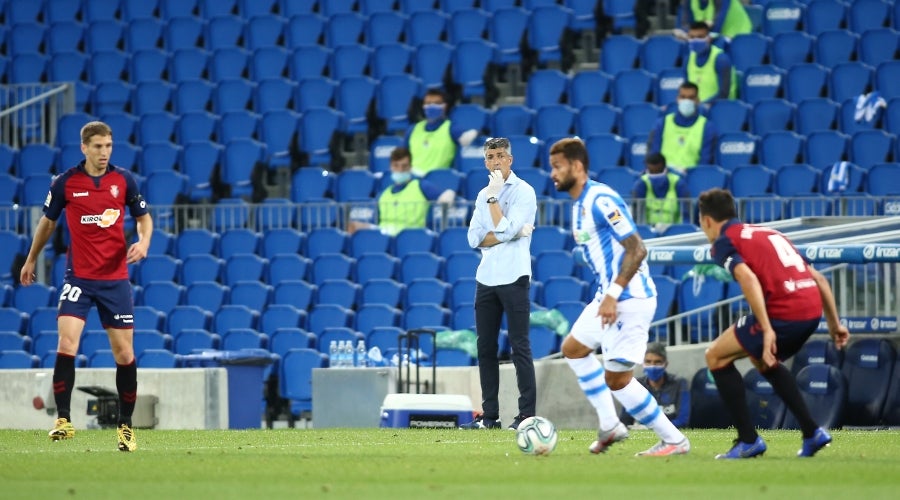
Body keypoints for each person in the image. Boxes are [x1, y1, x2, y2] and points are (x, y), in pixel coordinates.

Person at [548, 137, 690, 456]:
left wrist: (613, 295)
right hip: (607, 297)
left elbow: (637, 248)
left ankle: (674, 440)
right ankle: (610, 424)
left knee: (618, 380)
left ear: (577, 166)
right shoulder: (578, 205)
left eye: (557, 167)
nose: (553, 174)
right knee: (573, 349)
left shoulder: (601, 199)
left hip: (628, 299)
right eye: (551, 167)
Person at [19, 121, 152, 452]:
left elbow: (143, 217)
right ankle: (63, 420)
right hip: (78, 277)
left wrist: (144, 241)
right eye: (98, 147)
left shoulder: (123, 181)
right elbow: (47, 223)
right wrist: (32, 258)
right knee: (67, 341)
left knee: (124, 352)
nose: (104, 152)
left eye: (108, 146)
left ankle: (125, 427)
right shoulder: (66, 183)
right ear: (84, 148)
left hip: (114, 280)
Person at [698, 188, 850, 459]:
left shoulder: (724, 241)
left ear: (707, 220)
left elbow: (747, 278)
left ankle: (748, 441)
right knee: (763, 360)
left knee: (715, 356)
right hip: (811, 310)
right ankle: (812, 432)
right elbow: (820, 279)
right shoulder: (769, 233)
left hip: (785, 312)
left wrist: (767, 329)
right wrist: (835, 324)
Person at [460, 137, 537, 431]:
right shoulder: (482, 194)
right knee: (485, 348)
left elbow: (501, 230)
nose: (495, 161)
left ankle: (526, 416)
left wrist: (494, 202)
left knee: (520, 347)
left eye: (500, 155)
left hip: (515, 275)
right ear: (485, 162)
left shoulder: (524, 192)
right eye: (490, 156)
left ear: (510, 160)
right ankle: (490, 417)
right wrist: (509, 233)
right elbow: (473, 238)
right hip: (487, 277)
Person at [347, 147, 455, 236]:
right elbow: (375, 223)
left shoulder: (421, 186)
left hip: (411, 237)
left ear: (410, 167)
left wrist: (450, 194)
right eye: (396, 166)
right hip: (384, 236)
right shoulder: (383, 194)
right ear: (391, 167)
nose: (400, 170)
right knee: (354, 226)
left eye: (404, 166)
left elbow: (445, 197)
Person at [404, 88, 478, 177]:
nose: (432, 106)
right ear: (423, 106)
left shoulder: (451, 128)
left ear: (444, 106)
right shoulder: (413, 129)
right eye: (428, 103)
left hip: (440, 180)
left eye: (436, 103)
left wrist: (475, 131)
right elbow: (402, 157)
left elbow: (465, 140)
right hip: (413, 180)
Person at [647, 81, 718, 171]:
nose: (686, 101)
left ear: (698, 100)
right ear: (677, 99)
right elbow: (654, 156)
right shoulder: (661, 124)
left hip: (692, 180)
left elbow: (705, 163)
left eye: (691, 98)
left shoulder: (707, 127)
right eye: (683, 97)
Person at [618, 342, 691, 429]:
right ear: (643, 364)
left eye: (657, 362)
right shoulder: (634, 385)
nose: (652, 366)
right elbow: (625, 421)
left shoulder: (679, 384)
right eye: (648, 362)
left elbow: (683, 420)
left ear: (665, 364)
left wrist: (650, 428)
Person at [631, 152, 690, 229]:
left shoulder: (678, 183)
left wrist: (682, 229)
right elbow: (636, 215)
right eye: (651, 172)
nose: (655, 174)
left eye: (658, 171)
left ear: (665, 168)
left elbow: (686, 213)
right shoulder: (641, 184)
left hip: (674, 230)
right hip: (650, 230)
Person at [685, 22, 737, 103]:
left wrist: (701, 106)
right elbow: (685, 90)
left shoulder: (721, 59)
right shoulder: (688, 59)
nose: (695, 40)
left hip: (720, 108)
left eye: (700, 37)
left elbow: (724, 93)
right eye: (692, 37)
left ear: (709, 38)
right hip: (697, 109)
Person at [680, 0, 753, 40]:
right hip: (708, 33)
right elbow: (684, 24)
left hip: (737, 33)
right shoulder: (687, 1)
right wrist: (690, 35)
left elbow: (717, 26)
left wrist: (696, 35)